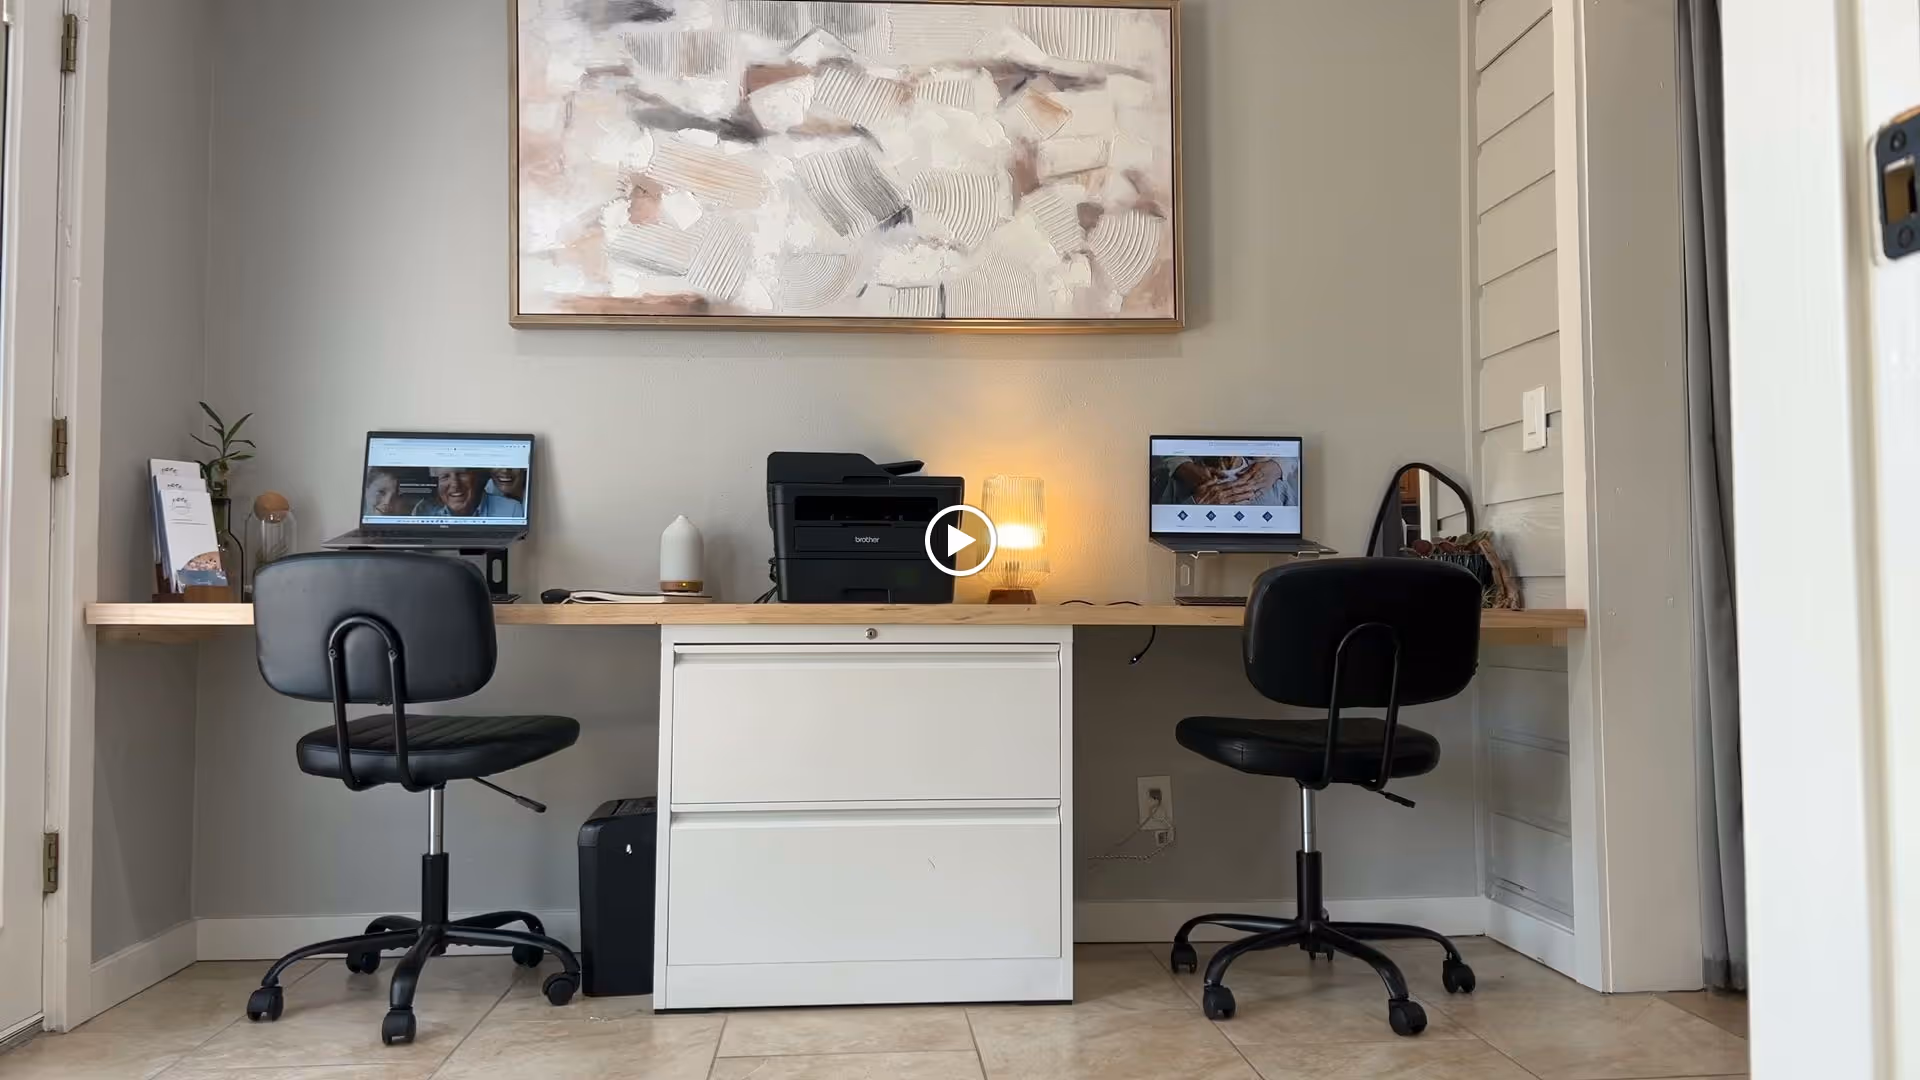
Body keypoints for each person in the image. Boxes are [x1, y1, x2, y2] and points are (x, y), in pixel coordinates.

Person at [421, 467, 524, 518]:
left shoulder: (512, 510)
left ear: (476, 478)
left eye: (462, 474)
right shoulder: (425, 513)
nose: (455, 484)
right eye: (445, 477)